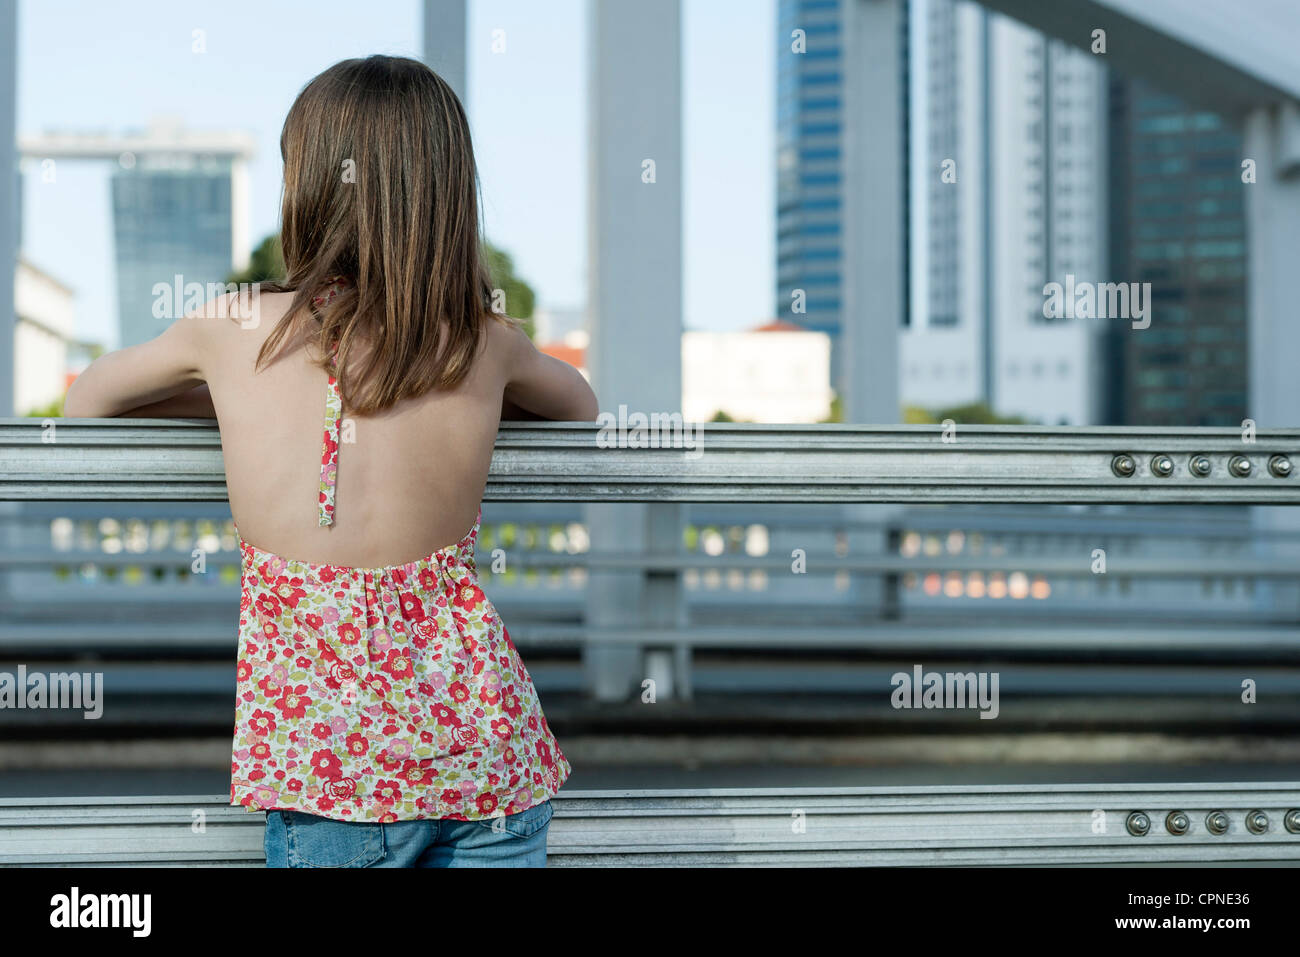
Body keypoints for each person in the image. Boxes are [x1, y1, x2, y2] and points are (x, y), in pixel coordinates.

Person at [63, 54, 599, 867]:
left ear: (307, 184)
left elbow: (89, 400)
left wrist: (226, 400)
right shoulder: (485, 345)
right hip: (491, 763)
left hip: (331, 781)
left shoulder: (231, 329)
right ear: (446, 193)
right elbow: (580, 407)